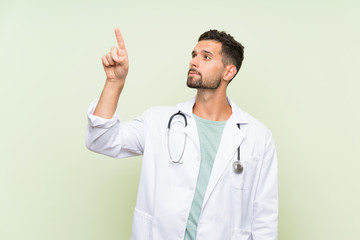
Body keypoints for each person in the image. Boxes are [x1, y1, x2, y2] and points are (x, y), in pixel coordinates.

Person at [86, 28, 278, 240]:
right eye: (194, 55)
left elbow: (265, 219)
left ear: (228, 72)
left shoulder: (258, 137)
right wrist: (114, 82)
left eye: (206, 57)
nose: (194, 62)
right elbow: (101, 140)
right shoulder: (159, 122)